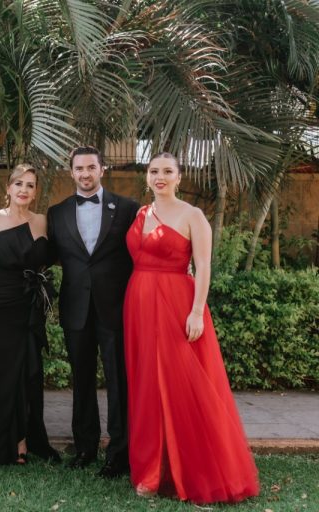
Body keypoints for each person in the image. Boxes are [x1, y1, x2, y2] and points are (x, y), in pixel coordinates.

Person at [124, 152, 259, 503]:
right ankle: (152, 469)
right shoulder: (141, 213)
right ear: (147, 176)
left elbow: (203, 266)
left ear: (179, 177)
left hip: (176, 304)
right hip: (138, 305)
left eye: (167, 171)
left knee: (180, 382)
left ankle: (193, 468)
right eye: (154, 171)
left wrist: (197, 311)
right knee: (147, 384)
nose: (160, 176)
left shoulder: (193, 215)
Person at [47, 146, 139, 478]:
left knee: (118, 381)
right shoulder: (56, 213)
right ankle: (85, 447)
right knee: (82, 379)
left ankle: (119, 453)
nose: (85, 173)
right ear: (71, 172)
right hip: (76, 308)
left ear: (102, 169)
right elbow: (53, 256)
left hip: (115, 307)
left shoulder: (128, 209)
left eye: (91, 167)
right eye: (79, 168)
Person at [0, 164, 59, 465]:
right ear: (8, 188)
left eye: (30, 185)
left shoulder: (43, 221)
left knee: (27, 372)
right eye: (18, 183)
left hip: (28, 307)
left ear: (35, 192)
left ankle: (23, 439)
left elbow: (55, 259)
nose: (24, 190)